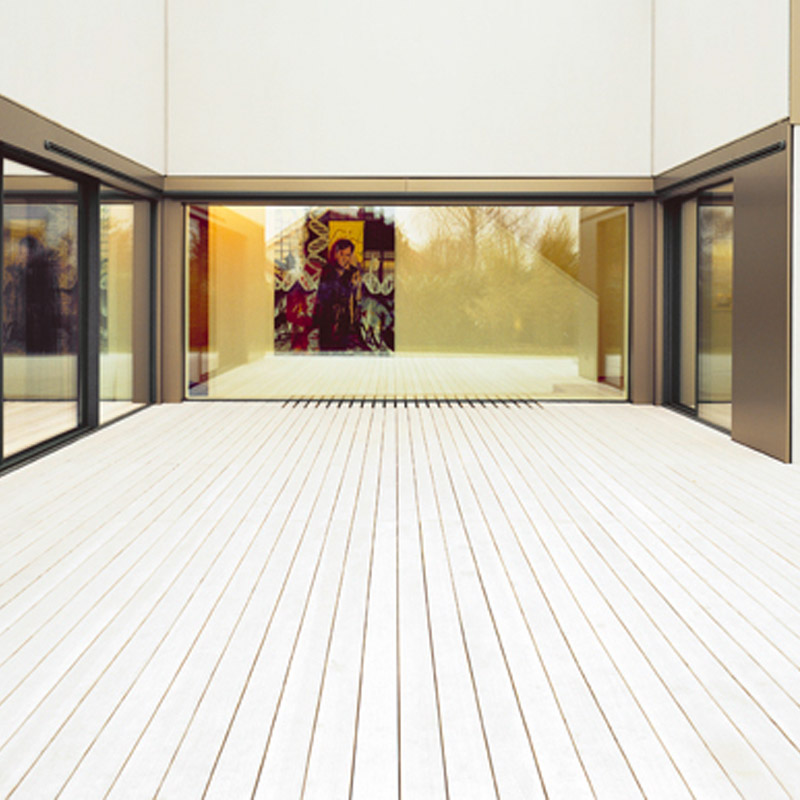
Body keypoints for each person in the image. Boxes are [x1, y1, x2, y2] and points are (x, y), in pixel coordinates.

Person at [312, 238, 363, 350]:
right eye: (341, 254)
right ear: (335, 254)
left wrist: (356, 285)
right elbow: (322, 297)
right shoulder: (327, 271)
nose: (344, 258)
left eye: (348, 255)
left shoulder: (353, 272)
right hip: (328, 321)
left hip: (345, 322)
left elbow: (358, 299)